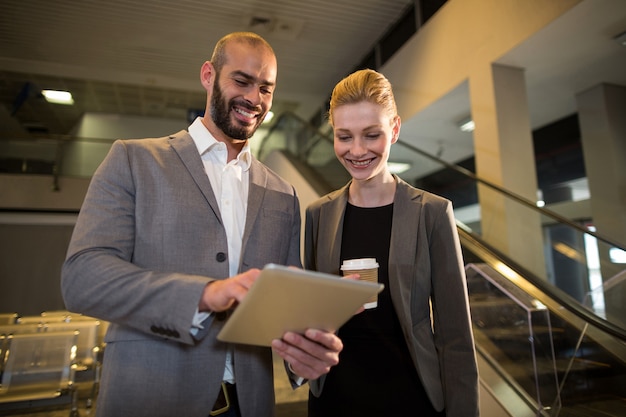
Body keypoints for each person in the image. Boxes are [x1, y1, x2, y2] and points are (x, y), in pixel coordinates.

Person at [61, 31, 343, 417]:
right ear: (208, 75)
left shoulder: (284, 194)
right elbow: (83, 278)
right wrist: (206, 294)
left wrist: (301, 357)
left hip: (250, 404)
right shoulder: (133, 160)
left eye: (266, 88)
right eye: (241, 81)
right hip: (151, 398)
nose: (253, 99)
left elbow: (279, 311)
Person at [304, 69, 479, 416]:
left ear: (395, 129)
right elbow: (309, 317)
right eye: (344, 136)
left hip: (410, 395)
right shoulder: (318, 215)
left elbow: (455, 336)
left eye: (371, 135)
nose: (357, 150)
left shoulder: (432, 212)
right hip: (335, 396)